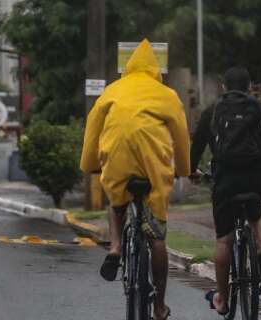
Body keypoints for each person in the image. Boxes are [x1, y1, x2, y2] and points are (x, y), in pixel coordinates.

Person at [80, 39, 190, 320]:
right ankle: (159, 305)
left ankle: (116, 246)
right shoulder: (167, 94)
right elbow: (180, 136)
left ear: (127, 69)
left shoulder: (112, 90)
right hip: (153, 166)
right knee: (156, 237)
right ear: (156, 70)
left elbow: (93, 129)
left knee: (116, 202)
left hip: (118, 161)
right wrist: (184, 170)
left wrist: (90, 164)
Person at [189, 67, 261, 315]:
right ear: (250, 86)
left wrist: (191, 171)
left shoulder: (213, 111)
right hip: (257, 178)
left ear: (223, 87)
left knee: (224, 239)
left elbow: (196, 148)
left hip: (227, 181)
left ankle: (222, 298)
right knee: (254, 204)